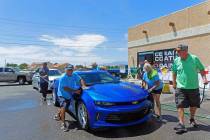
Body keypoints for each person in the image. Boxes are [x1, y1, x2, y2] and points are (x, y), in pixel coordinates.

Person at [172, 44, 208, 133]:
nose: (177, 53)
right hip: (181, 87)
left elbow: (202, 69)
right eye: (177, 51)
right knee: (180, 105)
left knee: (194, 105)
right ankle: (181, 124)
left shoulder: (194, 58)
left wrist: (204, 78)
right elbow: (174, 72)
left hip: (193, 87)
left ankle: (192, 119)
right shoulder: (176, 60)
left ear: (185, 51)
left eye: (179, 51)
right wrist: (174, 83)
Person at [53, 64, 86, 132]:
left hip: (69, 95)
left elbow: (80, 79)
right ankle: (63, 124)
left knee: (64, 107)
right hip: (62, 94)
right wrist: (75, 91)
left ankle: (57, 115)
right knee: (64, 106)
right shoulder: (63, 77)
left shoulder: (74, 74)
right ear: (66, 70)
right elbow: (65, 88)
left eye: (71, 69)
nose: (70, 71)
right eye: (68, 70)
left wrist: (83, 86)